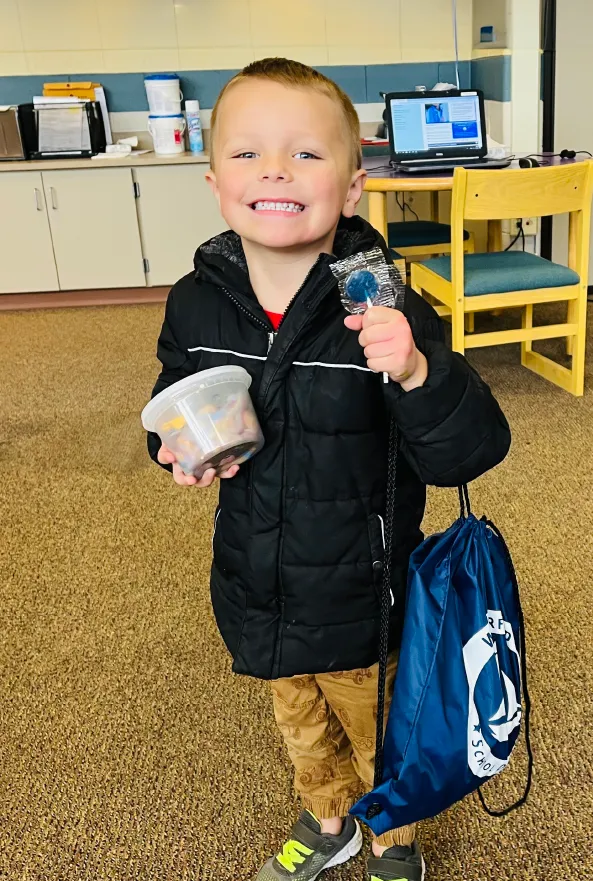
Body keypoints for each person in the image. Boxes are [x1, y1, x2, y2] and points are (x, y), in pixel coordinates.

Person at [146, 57, 511, 881]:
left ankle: (392, 836)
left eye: (305, 154)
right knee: (298, 721)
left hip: (359, 584)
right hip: (255, 576)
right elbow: (174, 395)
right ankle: (330, 820)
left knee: (379, 725)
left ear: (351, 187)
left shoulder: (377, 299)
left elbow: (470, 449)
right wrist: (174, 445)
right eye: (247, 154)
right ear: (213, 182)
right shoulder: (194, 301)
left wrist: (417, 372)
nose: (273, 168)